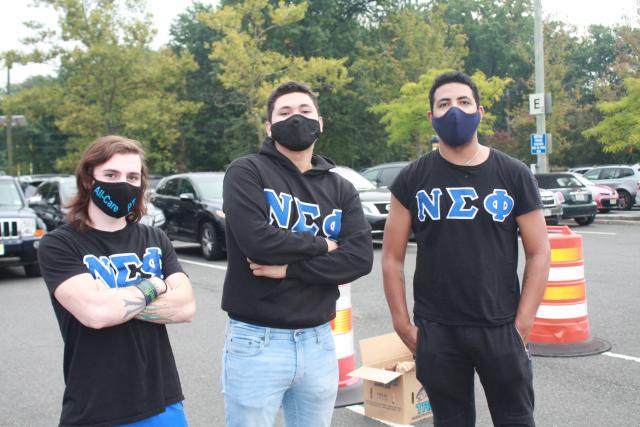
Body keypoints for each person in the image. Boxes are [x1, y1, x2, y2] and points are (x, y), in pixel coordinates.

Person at [382, 71, 550, 426]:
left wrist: (523, 323)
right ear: (431, 116)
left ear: (480, 111)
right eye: (443, 104)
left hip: (500, 325)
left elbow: (539, 251)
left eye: (463, 102)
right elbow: (392, 257)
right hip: (438, 330)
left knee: (516, 419)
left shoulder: (514, 173)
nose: (454, 111)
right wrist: (403, 324)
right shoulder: (412, 178)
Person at [220, 81, 373, 427]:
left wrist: (288, 270)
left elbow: (360, 258)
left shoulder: (341, 188)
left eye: (304, 111)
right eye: (284, 112)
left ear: (320, 121)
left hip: (319, 340)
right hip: (256, 340)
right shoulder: (247, 171)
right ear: (269, 126)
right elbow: (257, 241)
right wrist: (322, 244)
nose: (296, 118)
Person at [38, 135, 196, 427]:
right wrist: (156, 286)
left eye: (132, 176)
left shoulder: (155, 238)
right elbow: (97, 314)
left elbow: (185, 308)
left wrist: (116, 303)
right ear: (88, 179)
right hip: (97, 407)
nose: (123, 183)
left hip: (164, 401)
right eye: (111, 174)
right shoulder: (60, 244)